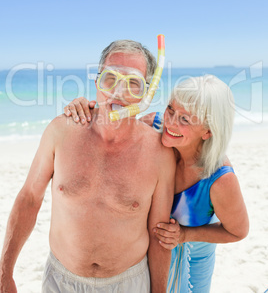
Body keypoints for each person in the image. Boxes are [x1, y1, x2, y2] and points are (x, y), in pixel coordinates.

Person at [0, 40, 176, 293]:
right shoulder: (61, 131)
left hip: (128, 282)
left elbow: (159, 234)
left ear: (146, 94)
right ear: (96, 82)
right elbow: (29, 199)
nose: (118, 92)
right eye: (110, 79)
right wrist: (4, 274)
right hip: (61, 281)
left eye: (133, 84)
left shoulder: (159, 153)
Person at [66, 74, 249, 292]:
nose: (170, 122)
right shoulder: (152, 126)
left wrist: (185, 235)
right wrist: (83, 108)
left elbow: (238, 232)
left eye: (185, 120)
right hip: (142, 259)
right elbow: (107, 129)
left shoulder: (219, 179)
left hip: (192, 268)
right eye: (171, 109)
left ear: (208, 131)